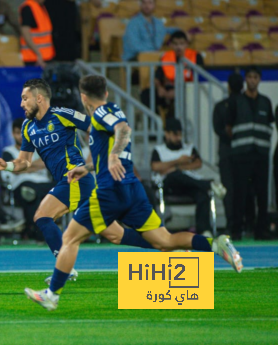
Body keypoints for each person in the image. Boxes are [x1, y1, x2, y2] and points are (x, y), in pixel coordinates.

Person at [24, 75, 243, 311]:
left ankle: (52, 296)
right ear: (106, 93)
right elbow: (116, 135)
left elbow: (123, 130)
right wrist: (86, 168)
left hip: (110, 192)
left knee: (69, 239)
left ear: (83, 97)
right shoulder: (114, 109)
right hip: (132, 189)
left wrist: (115, 154)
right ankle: (215, 244)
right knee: (163, 241)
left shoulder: (99, 114)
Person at [0, 78, 159, 284]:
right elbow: (24, 162)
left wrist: (95, 160)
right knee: (116, 235)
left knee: (42, 216)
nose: (22, 104)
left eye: (25, 99)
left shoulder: (62, 114)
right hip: (69, 183)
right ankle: (166, 246)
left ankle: (65, 269)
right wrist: (6, 165)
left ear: (39, 98)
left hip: (76, 180)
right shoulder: (27, 127)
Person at [151, 118, 226, 237]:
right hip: (170, 185)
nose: (178, 138)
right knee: (175, 175)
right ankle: (209, 184)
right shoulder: (159, 150)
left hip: (189, 185)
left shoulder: (189, 148)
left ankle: (204, 230)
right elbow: (155, 166)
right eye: (175, 134)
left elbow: (197, 163)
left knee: (202, 194)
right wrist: (179, 162)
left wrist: (175, 167)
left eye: (180, 134)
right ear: (167, 134)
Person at [226, 66, 274, 241]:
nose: (252, 80)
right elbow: (228, 127)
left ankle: (261, 230)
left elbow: (269, 124)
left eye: (255, 77)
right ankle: (237, 230)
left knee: (262, 194)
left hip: (261, 154)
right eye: (250, 77)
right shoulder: (235, 101)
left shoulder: (266, 102)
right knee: (240, 193)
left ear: (259, 79)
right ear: (246, 79)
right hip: (241, 154)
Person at [1, 118, 53, 240]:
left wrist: (25, 166)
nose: (21, 136)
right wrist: (33, 165)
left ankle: (35, 232)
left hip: (42, 184)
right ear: (13, 134)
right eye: (18, 133)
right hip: (21, 186)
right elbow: (14, 169)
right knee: (29, 192)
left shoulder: (38, 148)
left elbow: (46, 163)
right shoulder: (8, 152)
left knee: (59, 186)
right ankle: (39, 235)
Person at [142, 30, 203, 117]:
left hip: (188, 90)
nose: (178, 47)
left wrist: (178, 92)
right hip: (167, 89)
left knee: (176, 106)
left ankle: (173, 128)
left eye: (181, 44)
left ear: (187, 44)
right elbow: (157, 77)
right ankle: (156, 122)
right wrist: (159, 88)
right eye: (175, 44)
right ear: (171, 45)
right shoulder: (165, 56)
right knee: (146, 94)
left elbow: (200, 79)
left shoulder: (196, 57)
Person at [213, 73, 243, 235]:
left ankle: (234, 225)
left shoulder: (221, 106)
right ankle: (239, 224)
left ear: (228, 86)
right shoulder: (239, 104)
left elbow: (218, 129)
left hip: (231, 153)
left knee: (232, 190)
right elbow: (220, 129)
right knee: (238, 190)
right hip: (237, 152)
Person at [19, 0, 54, 68]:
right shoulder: (27, 8)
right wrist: (38, 55)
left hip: (46, 57)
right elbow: (26, 35)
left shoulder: (41, 7)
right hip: (33, 59)